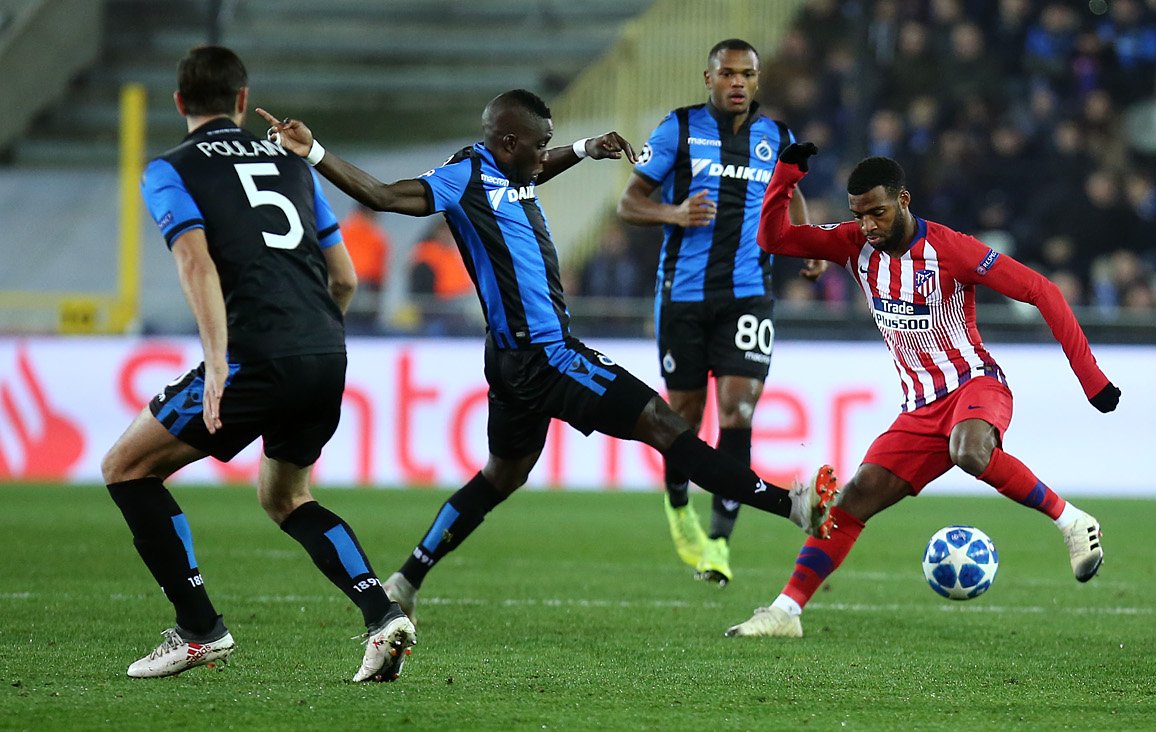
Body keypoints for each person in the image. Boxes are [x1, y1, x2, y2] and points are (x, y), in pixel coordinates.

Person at [256, 89, 839, 624]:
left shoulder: (513, 169)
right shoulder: (465, 177)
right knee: (665, 424)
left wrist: (584, 149)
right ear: (508, 143)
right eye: (538, 144)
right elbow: (384, 196)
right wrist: (315, 152)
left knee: (501, 474)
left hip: (511, 363)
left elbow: (537, 165)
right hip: (547, 356)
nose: (543, 156)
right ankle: (789, 506)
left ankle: (407, 579)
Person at [101, 45, 414, 681]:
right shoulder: (293, 164)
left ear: (180, 103)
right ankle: (383, 616)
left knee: (126, 468)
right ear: (243, 102)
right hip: (325, 352)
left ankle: (199, 630)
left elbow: (195, 261)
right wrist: (315, 339)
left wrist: (218, 362)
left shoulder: (171, 168)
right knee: (287, 496)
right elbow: (346, 277)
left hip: (254, 356)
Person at [725, 144, 1122, 638]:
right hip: (918, 409)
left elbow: (1042, 290)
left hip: (976, 384)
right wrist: (786, 175)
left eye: (878, 212)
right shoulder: (852, 244)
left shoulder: (952, 249)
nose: (868, 225)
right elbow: (775, 237)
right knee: (853, 501)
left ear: (904, 201)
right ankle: (786, 612)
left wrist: (1092, 380)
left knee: (970, 451)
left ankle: (1071, 521)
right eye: (859, 215)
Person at [616, 38, 825, 586]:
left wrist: (805, 244)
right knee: (681, 417)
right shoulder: (677, 130)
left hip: (749, 294)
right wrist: (675, 212)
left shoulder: (776, 137)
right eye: (727, 74)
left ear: (758, 81)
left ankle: (719, 541)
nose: (738, 83)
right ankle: (679, 505)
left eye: (747, 74)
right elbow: (629, 201)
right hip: (681, 297)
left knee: (738, 410)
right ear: (707, 79)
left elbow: (791, 192)